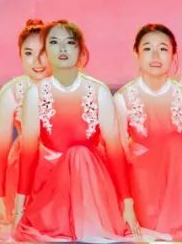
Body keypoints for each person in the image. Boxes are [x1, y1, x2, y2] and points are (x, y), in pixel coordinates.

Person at [13, 20, 140, 241]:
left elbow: (114, 150)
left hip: (91, 179)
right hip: (51, 183)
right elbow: (29, 152)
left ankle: (90, 224)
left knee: (79, 153)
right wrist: (19, 207)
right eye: (54, 42)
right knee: (74, 154)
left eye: (69, 42)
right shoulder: (35, 94)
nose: (62, 48)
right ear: (45, 52)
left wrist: (127, 205)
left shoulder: (98, 91)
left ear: (81, 50)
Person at [113, 23, 182, 240]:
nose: (155, 56)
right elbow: (118, 155)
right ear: (136, 53)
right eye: (147, 48)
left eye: (162, 48)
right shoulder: (122, 99)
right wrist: (127, 205)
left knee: (180, 145)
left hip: (180, 184)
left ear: (173, 55)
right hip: (142, 185)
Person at [0, 19, 50, 236]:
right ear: (20, 56)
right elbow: (0, 149)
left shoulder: (68, 85)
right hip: (26, 163)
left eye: (43, 53)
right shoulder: (12, 91)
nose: (37, 61)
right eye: (29, 53)